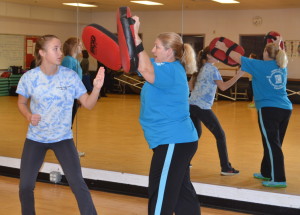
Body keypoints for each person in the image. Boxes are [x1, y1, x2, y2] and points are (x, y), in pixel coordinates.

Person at [16, 34, 104, 214]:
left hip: (63, 138)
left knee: (78, 184)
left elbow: (87, 103)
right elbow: (21, 103)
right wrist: (28, 115)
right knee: (25, 186)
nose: (60, 53)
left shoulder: (69, 76)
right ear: (42, 52)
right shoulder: (30, 78)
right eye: (55, 48)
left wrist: (96, 88)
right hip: (36, 138)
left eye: (60, 48)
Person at [132, 16, 200, 215]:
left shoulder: (171, 71)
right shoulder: (160, 66)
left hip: (173, 140)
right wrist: (128, 35)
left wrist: (136, 35)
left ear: (169, 51)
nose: (153, 50)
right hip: (174, 140)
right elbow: (137, 62)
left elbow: (144, 67)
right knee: (181, 193)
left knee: (160, 192)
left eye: (157, 47)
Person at [216, 36, 292, 188]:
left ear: (265, 53)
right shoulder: (281, 65)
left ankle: (278, 178)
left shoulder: (260, 66)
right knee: (272, 143)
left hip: (269, 109)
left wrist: (224, 48)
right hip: (285, 108)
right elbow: (277, 53)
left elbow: (237, 57)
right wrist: (276, 45)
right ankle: (266, 172)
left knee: (272, 144)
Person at [189, 46, 244, 176]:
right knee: (220, 135)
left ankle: (184, 161)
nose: (219, 57)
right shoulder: (213, 69)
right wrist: (239, 75)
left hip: (191, 105)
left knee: (195, 135)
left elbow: (190, 86)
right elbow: (223, 87)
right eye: (216, 54)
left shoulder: (198, 68)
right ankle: (226, 167)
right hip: (202, 107)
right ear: (208, 56)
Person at [61, 37, 85, 157]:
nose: (82, 47)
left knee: (68, 124)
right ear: (73, 46)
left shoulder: (73, 60)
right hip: (68, 99)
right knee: (67, 125)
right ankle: (69, 150)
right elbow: (66, 80)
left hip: (73, 97)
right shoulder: (68, 60)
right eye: (80, 45)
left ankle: (69, 149)